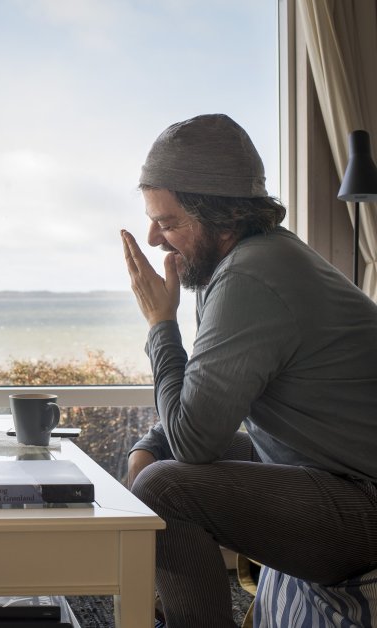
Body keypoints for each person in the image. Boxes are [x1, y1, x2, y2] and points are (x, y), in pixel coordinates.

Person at [120, 114, 377, 627]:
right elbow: (203, 402)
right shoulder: (250, 263)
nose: (152, 237)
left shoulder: (252, 276)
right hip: (330, 473)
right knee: (160, 465)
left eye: (167, 222)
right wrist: (150, 445)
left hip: (364, 502)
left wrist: (160, 324)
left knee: (165, 488)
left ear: (221, 218)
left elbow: (196, 442)